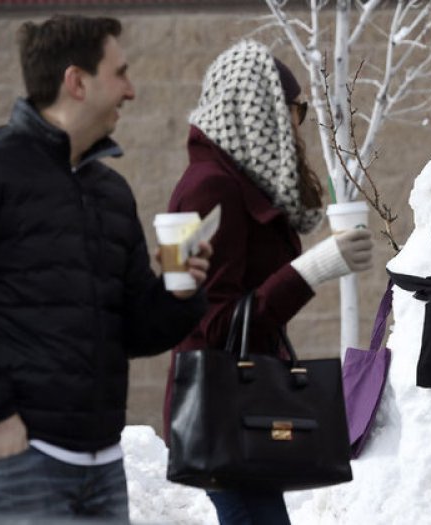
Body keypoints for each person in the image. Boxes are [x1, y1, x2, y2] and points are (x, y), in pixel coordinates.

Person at [0, 15, 211, 520]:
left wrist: (178, 294)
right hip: (10, 462)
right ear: (76, 81)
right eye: (120, 73)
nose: (131, 91)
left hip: (103, 465)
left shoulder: (111, 193)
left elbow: (133, 329)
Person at [164, 40, 374, 525]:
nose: (299, 124)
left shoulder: (232, 182)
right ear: (263, 112)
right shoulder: (210, 188)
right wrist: (313, 269)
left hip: (242, 410)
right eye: (296, 108)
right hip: (220, 414)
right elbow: (212, 324)